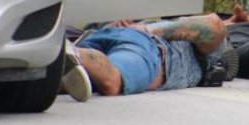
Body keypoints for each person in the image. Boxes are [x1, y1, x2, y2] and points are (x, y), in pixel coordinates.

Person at [64, 13, 227, 97]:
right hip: (144, 43)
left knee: (63, 79)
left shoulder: (201, 56)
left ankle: (62, 54)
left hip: (95, 37)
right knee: (113, 82)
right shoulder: (196, 50)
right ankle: (71, 51)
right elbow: (214, 24)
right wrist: (147, 30)